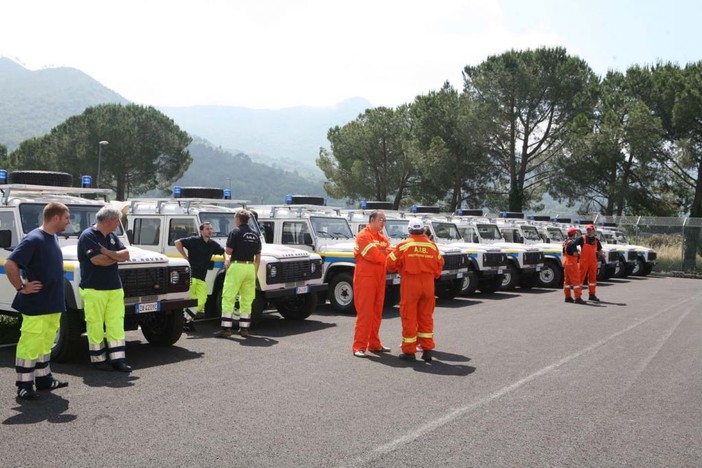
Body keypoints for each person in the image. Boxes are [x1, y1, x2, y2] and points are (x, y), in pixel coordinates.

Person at [5, 202, 71, 400]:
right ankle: (24, 385)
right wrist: (21, 287)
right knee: (30, 343)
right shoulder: (33, 238)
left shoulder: (52, 237)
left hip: (52, 303)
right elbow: (10, 263)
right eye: (67, 218)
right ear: (56, 218)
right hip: (37, 304)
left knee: (45, 343)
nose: (69, 222)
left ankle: (44, 379)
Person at [77, 205, 132, 372]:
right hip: (94, 288)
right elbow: (97, 260)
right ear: (108, 220)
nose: (118, 224)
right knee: (95, 324)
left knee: (116, 323)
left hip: (114, 288)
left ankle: (118, 360)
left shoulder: (112, 236)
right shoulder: (88, 236)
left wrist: (108, 252)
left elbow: (126, 255)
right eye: (117, 221)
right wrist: (116, 257)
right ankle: (98, 359)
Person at [386, 219, 444, 362]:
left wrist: (400, 267)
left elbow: (390, 263)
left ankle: (409, 351)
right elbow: (439, 265)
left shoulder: (403, 245)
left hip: (410, 284)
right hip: (428, 284)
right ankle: (427, 350)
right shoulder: (433, 246)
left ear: (409, 230)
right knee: (426, 317)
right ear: (424, 230)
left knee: (409, 317)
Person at [352, 210, 392, 357]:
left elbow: (390, 250)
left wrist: (382, 251)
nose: (383, 222)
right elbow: (374, 255)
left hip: (379, 278)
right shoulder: (363, 235)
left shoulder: (381, 237)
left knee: (377, 313)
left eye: (385, 220)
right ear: (372, 220)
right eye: (381, 219)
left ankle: (374, 344)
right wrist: (383, 252)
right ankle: (359, 346)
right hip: (365, 279)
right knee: (365, 313)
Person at [216, 209, 261, 338]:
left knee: (228, 297)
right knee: (247, 299)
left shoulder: (235, 231)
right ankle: (244, 329)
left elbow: (229, 251)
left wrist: (226, 256)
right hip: (250, 268)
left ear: (238, 219)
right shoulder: (255, 234)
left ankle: (226, 329)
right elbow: (258, 257)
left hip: (237, 266)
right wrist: (254, 271)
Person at [175, 222, 225, 331]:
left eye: (211, 229)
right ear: (201, 231)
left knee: (202, 300)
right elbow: (177, 242)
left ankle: (185, 319)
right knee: (190, 300)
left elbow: (224, 252)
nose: (210, 231)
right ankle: (187, 322)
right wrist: (185, 256)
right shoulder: (194, 240)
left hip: (202, 277)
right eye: (207, 229)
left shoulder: (213, 244)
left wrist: (227, 260)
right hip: (192, 275)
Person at [570, 224, 604, 302]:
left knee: (592, 280)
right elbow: (572, 244)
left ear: (593, 230)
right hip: (583, 262)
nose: (588, 231)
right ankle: (577, 297)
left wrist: (602, 254)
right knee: (580, 279)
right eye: (587, 230)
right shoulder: (582, 238)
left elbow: (599, 250)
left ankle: (592, 295)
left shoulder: (596, 240)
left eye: (590, 229)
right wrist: (575, 252)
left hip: (593, 262)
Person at [563, 227, 585, 304]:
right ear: (574, 234)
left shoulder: (565, 242)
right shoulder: (572, 243)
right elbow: (575, 254)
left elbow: (564, 252)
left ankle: (567, 296)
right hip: (572, 263)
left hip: (566, 262)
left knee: (567, 281)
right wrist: (579, 253)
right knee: (576, 281)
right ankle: (578, 298)